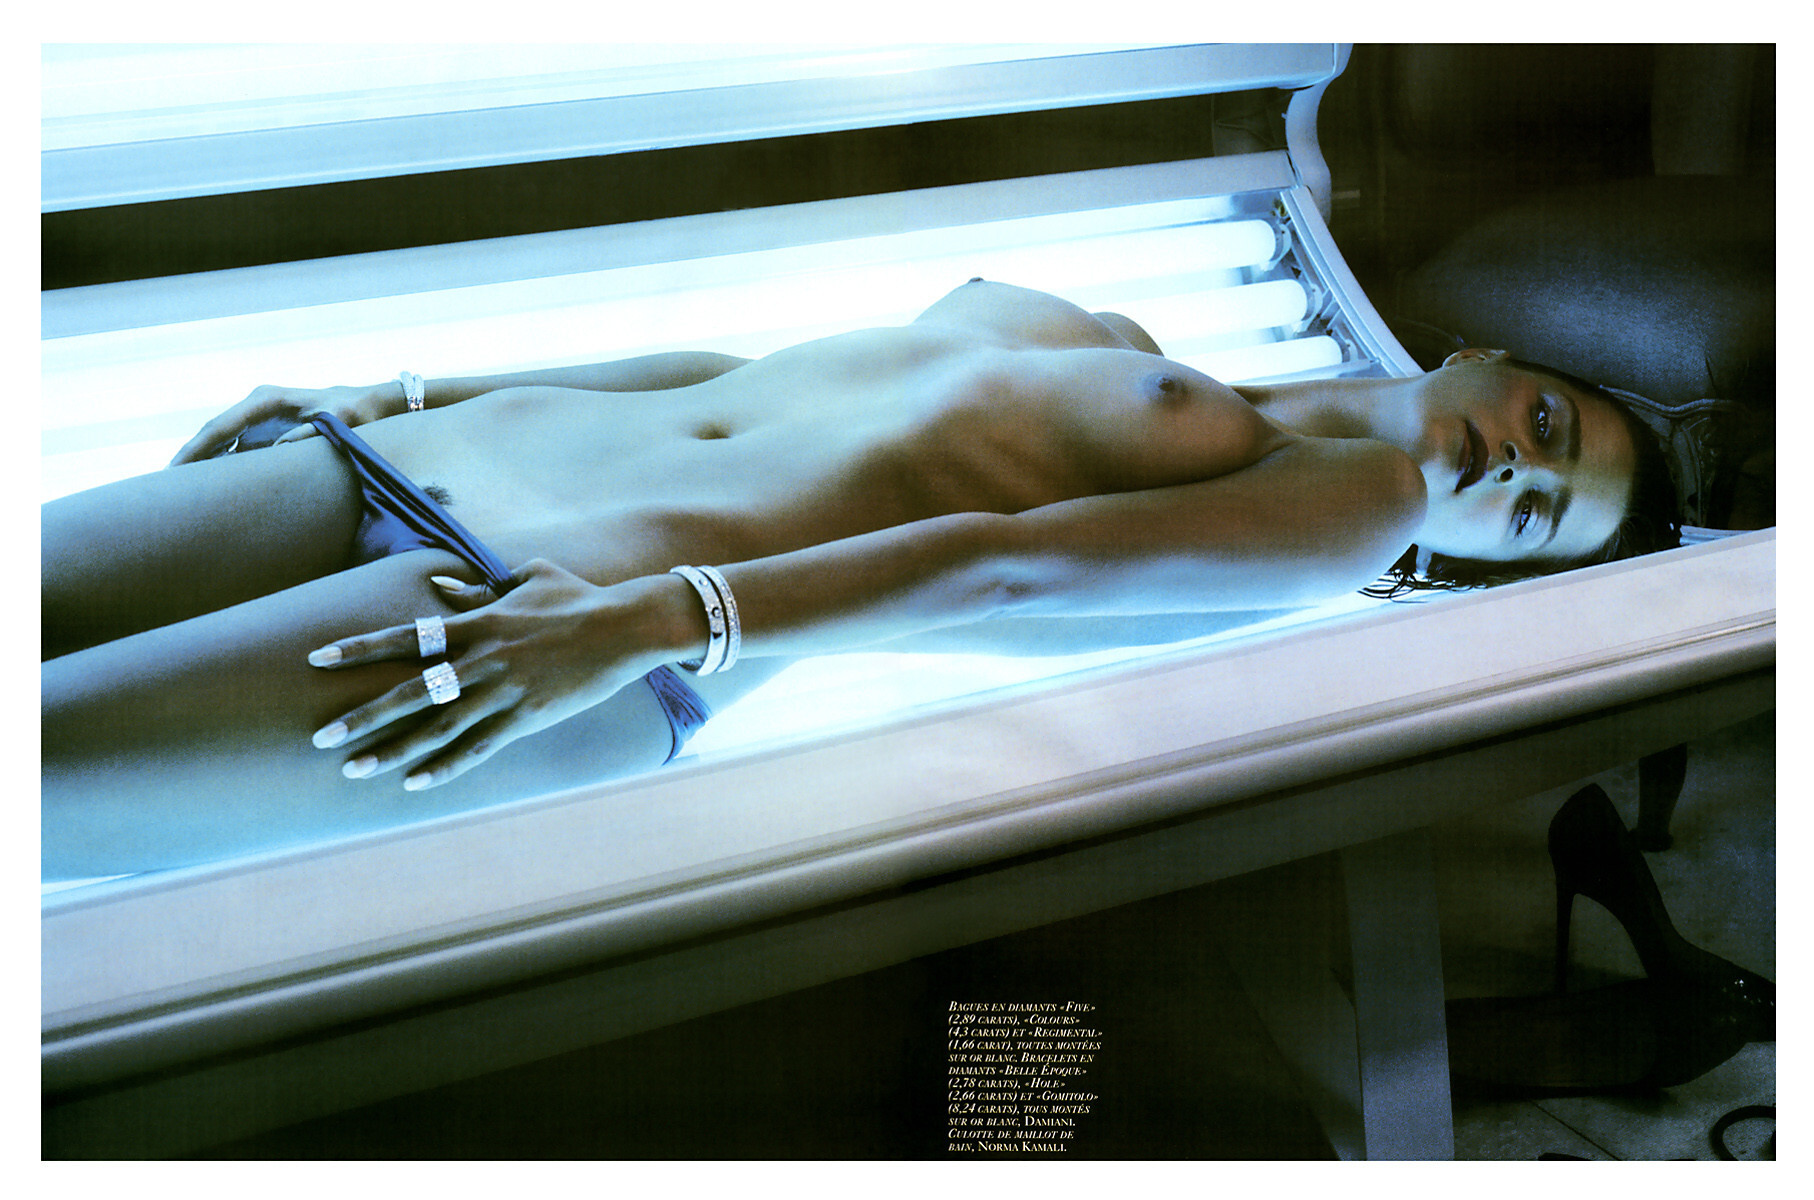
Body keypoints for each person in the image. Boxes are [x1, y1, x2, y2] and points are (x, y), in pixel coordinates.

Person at [41, 280, 1676, 878]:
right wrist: (412, 387)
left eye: (1535, 515)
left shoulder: (1352, 509)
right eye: (1548, 425)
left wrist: (644, 621)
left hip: (557, 617)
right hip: (442, 459)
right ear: (1483, 353)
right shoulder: (1117, 344)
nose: (1514, 469)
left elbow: (1006, 571)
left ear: (1466, 562)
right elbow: (752, 372)